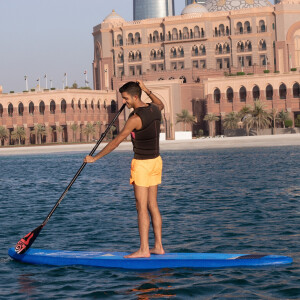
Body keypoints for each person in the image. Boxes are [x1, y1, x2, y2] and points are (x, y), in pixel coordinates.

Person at [84, 80, 165, 258]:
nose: (124, 102)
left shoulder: (135, 119)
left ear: (135, 97)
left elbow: (116, 141)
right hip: (156, 161)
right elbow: (161, 103)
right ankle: (158, 246)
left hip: (142, 165)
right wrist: (146, 89)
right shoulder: (155, 109)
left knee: (141, 207)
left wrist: (95, 158)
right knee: (153, 205)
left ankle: (144, 249)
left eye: (126, 98)